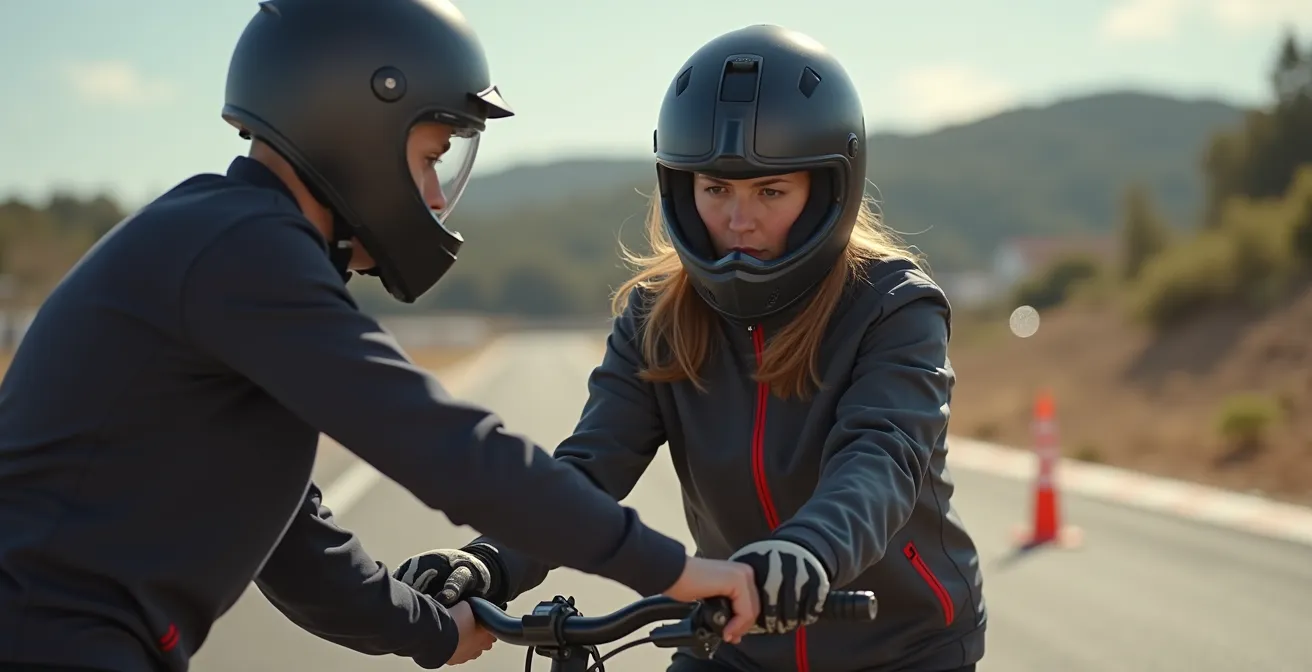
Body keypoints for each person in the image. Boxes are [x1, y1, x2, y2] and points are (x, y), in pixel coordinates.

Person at [0, 2, 761, 671]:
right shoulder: (244, 250)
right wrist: (677, 570)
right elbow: (443, 445)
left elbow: (295, 542)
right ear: (355, 127)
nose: (434, 194)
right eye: (430, 158)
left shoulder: (225, 236)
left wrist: (433, 629)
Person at [393, 23, 987, 672]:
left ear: (828, 189)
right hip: (735, 641)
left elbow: (883, 458)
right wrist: (489, 561)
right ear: (682, 188)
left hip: (901, 647)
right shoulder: (656, 316)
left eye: (770, 191)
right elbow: (589, 466)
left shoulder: (894, 305)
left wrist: (809, 551)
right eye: (715, 190)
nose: (738, 220)